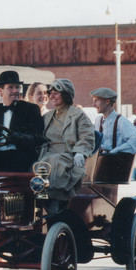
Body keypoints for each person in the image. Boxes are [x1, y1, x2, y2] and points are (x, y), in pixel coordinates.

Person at [38, 79, 95, 213]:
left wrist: (80, 152)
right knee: (34, 166)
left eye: (56, 93)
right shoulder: (47, 116)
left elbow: (87, 136)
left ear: (66, 94)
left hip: (69, 156)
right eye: (50, 93)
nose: (52, 96)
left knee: (55, 162)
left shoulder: (78, 115)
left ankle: (56, 203)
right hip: (46, 155)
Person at [0, 70, 44, 172]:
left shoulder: (30, 109)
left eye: (17, 87)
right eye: (10, 87)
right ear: (0, 91)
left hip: (21, 156)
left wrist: (16, 137)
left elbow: (38, 138)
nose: (15, 90)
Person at [90, 87, 136, 154]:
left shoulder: (121, 121)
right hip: (100, 162)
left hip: (116, 162)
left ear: (107, 101)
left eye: (96, 101)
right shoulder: (98, 120)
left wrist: (115, 151)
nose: (93, 105)